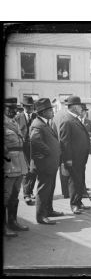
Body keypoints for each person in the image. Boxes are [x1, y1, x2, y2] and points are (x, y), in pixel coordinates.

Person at [29, 98, 64, 224]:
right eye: (50, 110)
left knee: (50, 188)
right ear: (43, 112)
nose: (53, 111)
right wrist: (49, 152)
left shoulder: (45, 123)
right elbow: (35, 141)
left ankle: (49, 210)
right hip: (44, 164)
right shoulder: (37, 124)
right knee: (44, 189)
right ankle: (41, 216)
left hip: (51, 163)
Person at [57, 95, 91, 215]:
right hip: (73, 158)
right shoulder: (67, 120)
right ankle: (74, 204)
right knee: (73, 181)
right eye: (78, 106)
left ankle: (79, 202)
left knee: (80, 179)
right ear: (72, 107)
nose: (80, 108)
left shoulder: (75, 118)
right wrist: (68, 159)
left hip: (81, 157)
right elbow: (64, 142)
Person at [4, 98, 30, 236]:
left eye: (15, 108)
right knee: (6, 195)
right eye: (10, 108)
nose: (14, 111)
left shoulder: (14, 122)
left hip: (19, 163)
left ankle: (12, 222)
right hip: (8, 164)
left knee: (15, 194)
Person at [15, 95, 37, 205]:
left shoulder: (36, 117)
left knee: (34, 170)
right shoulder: (17, 118)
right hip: (22, 149)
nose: (30, 108)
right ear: (23, 106)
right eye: (27, 106)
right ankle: (26, 194)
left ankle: (30, 190)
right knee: (26, 171)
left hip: (34, 148)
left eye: (31, 106)